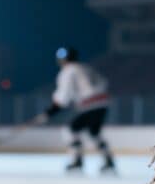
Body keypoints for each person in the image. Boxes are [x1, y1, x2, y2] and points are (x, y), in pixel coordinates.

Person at [36, 46, 115, 174]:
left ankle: (76, 160)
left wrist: (50, 111)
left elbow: (63, 97)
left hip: (90, 104)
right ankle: (108, 160)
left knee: (70, 130)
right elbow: (103, 82)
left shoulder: (68, 71)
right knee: (94, 132)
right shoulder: (85, 67)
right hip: (103, 102)